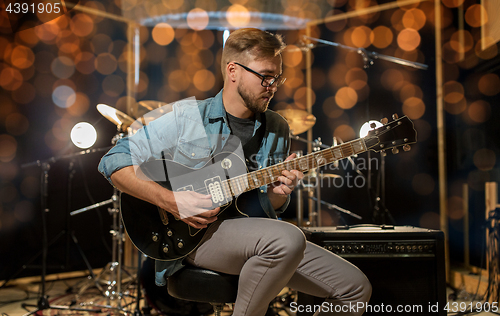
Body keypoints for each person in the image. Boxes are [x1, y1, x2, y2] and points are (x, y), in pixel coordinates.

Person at [98, 28, 371, 316]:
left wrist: (278, 194)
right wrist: (171, 201)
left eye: (277, 77)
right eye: (265, 76)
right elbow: (112, 160)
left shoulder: (277, 127)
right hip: (193, 236)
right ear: (233, 71)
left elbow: (265, 209)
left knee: (354, 288)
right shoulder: (187, 116)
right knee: (288, 239)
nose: (273, 86)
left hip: (252, 237)